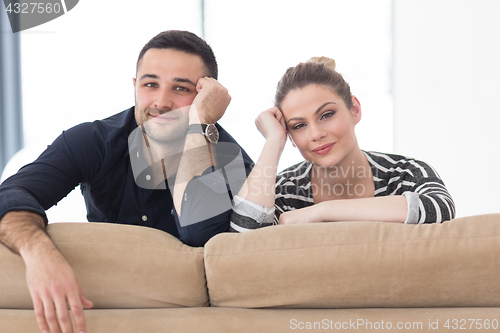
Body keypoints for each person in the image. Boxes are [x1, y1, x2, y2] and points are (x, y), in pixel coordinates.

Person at [0, 30, 253, 333]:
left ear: (204, 97)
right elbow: (12, 192)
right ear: (135, 87)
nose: (161, 102)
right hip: (102, 310)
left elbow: (200, 233)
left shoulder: (229, 158)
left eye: (181, 89)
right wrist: (39, 251)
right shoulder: (93, 142)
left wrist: (199, 128)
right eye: (150, 84)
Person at [230, 56, 454, 232]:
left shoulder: (404, 173)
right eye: (299, 126)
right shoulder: (285, 192)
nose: (316, 134)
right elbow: (244, 237)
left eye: (327, 114)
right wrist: (273, 141)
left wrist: (322, 212)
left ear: (354, 110)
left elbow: (439, 208)